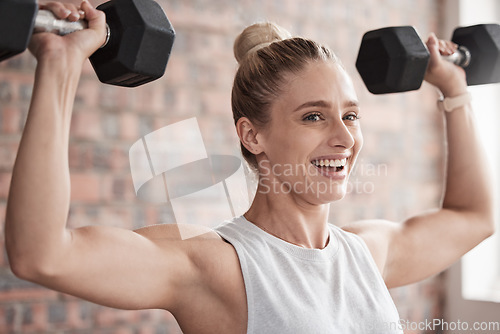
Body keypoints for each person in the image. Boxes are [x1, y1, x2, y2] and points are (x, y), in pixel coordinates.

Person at [4, 1, 495, 333]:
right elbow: (42, 255)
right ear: (251, 135)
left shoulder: (366, 255)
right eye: (313, 116)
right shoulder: (213, 265)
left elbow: (475, 218)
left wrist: (454, 91)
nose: (344, 138)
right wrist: (61, 66)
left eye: (350, 115)